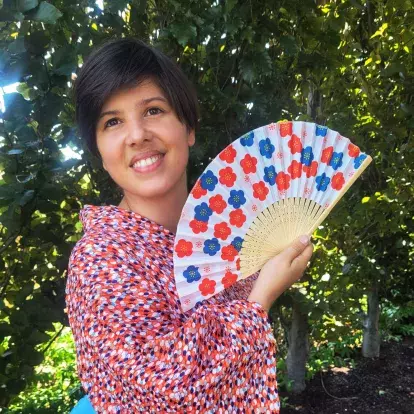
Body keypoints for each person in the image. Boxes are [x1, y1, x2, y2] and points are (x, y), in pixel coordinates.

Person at [66, 37, 313, 413]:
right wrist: (261, 299)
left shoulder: (222, 236)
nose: (137, 135)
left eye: (153, 110)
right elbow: (169, 395)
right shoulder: (100, 258)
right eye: (112, 122)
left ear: (189, 127)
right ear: (99, 151)